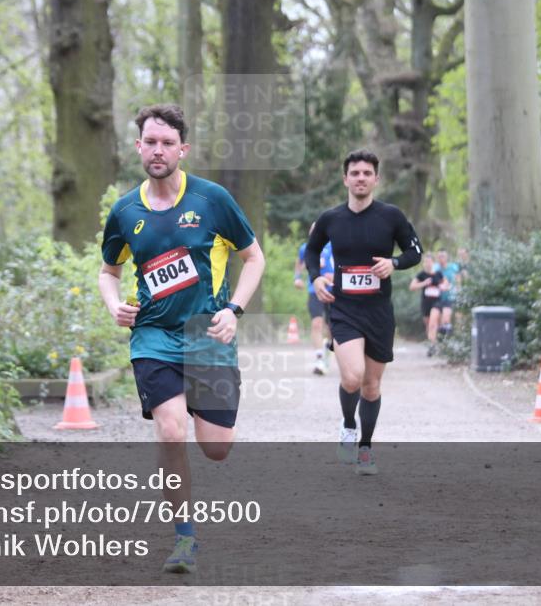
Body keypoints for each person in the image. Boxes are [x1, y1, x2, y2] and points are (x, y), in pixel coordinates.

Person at [98, 104, 265, 574]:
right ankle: (184, 537)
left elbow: (254, 259)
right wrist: (113, 304)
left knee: (216, 448)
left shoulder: (212, 200)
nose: (158, 150)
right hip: (153, 336)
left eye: (167, 143)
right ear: (139, 147)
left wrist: (234, 310)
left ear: (182, 150)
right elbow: (109, 271)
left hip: (207, 335)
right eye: (150, 142)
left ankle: (198, 402)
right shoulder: (125, 211)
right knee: (171, 431)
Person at [305, 150, 422, 475]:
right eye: (355, 173)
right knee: (352, 376)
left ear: (376, 179)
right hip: (344, 310)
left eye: (367, 173)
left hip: (379, 312)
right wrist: (316, 278)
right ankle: (347, 425)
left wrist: (394, 262)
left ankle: (366, 447)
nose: (360, 178)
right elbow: (312, 250)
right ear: (345, 179)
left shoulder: (391, 216)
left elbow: (415, 251)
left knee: (371, 385)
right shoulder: (331, 218)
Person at [294, 224, 334, 374]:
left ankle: (327, 354)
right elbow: (299, 262)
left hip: (333, 291)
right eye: (312, 230)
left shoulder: (333, 246)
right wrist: (297, 278)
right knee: (316, 324)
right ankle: (319, 359)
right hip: (315, 290)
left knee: (332, 328)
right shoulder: (306, 248)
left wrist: (335, 276)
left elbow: (343, 264)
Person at [409, 254, 445, 356]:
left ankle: (432, 346)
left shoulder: (438, 274)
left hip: (437, 302)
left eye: (429, 262)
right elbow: (412, 287)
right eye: (425, 262)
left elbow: (446, 284)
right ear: (423, 263)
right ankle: (433, 342)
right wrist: (423, 283)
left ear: (433, 263)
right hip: (426, 303)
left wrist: (443, 286)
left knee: (433, 323)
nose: (427, 264)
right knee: (429, 325)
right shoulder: (421, 275)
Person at [433, 249, 460, 336]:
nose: (441, 258)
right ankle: (436, 340)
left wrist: (457, 290)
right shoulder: (435, 268)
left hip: (450, 297)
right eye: (439, 256)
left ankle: (448, 340)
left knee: (446, 319)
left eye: (443, 256)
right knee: (435, 322)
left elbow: (458, 280)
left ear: (447, 257)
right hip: (436, 298)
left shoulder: (453, 267)